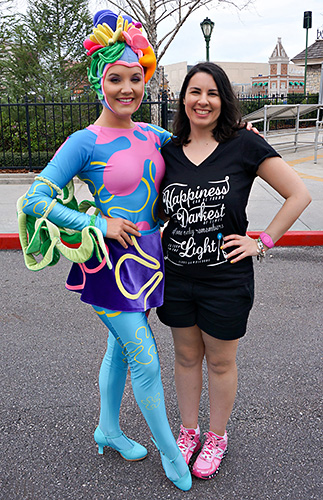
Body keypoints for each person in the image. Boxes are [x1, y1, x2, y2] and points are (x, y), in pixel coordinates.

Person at [19, 9, 191, 491]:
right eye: (116, 78)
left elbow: (199, 148)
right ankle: (170, 453)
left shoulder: (152, 135)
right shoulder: (83, 141)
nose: (127, 89)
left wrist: (244, 138)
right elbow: (35, 198)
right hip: (105, 267)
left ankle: (108, 429)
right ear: (100, 81)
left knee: (119, 348)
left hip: (148, 261)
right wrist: (97, 220)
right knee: (146, 358)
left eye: (136, 78)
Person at [156, 62, 312, 480]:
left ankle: (217, 437)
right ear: (183, 98)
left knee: (221, 363)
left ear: (223, 99)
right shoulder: (168, 150)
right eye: (194, 92)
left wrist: (261, 242)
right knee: (186, 357)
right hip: (177, 276)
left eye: (212, 93)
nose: (202, 101)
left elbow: (298, 194)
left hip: (226, 279)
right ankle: (187, 433)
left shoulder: (243, 144)